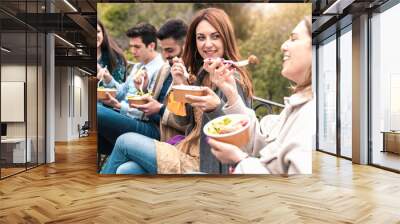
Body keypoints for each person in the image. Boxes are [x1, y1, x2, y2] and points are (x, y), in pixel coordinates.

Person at [100, 8, 253, 174]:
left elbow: (239, 138)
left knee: (124, 140)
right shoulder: (203, 73)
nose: (207, 44)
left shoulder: (232, 78)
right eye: (201, 38)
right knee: (126, 170)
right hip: (185, 149)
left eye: (215, 36)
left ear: (226, 38)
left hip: (205, 163)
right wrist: (180, 84)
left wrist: (214, 108)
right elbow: (183, 122)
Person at [206, 17, 314, 174]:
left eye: (293, 39)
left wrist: (240, 161)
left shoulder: (311, 112)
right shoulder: (300, 103)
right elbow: (264, 142)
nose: (283, 46)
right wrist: (231, 93)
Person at [97, 23, 166, 156]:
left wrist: (118, 106)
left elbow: (148, 110)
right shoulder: (138, 66)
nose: (133, 51)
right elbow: (123, 92)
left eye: (137, 47)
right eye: (131, 47)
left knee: (94, 111)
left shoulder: (160, 70)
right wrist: (107, 78)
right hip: (127, 118)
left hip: (146, 125)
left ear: (151, 46)